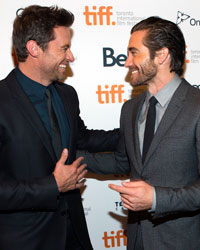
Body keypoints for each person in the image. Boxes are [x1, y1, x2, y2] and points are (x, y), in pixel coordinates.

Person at [0, 5, 119, 250]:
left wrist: (134, 132)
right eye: (64, 48)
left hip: (74, 235)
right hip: (27, 241)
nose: (71, 56)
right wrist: (52, 186)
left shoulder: (66, 94)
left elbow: (83, 140)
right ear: (34, 48)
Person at [82, 16, 200, 250]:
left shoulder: (196, 107)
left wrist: (156, 198)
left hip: (181, 241)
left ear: (161, 55)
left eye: (134, 52)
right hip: (137, 239)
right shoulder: (131, 108)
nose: (127, 62)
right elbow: (122, 161)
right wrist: (69, 155)